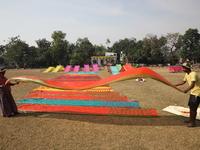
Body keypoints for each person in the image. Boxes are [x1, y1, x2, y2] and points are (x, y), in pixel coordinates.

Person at [175, 62, 200, 127]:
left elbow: (192, 84)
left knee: (193, 108)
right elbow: (183, 81)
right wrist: (175, 85)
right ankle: (190, 119)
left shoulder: (193, 74)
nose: (182, 68)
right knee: (191, 107)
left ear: (188, 68)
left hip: (197, 93)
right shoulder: (187, 74)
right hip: (193, 92)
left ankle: (193, 123)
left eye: (184, 67)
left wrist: (186, 90)